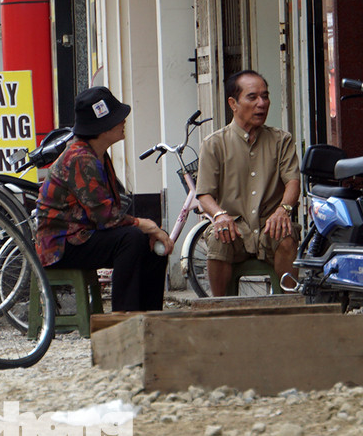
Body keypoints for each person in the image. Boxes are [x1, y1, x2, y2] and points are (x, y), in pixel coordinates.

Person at [35, 87, 172, 312]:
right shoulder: (80, 158)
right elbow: (104, 216)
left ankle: (150, 319)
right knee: (132, 238)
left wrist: (151, 231)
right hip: (62, 245)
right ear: (100, 127)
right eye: (117, 119)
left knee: (154, 247)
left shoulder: (97, 154)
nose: (123, 122)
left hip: (84, 234)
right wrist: (145, 224)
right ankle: (124, 320)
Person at [194, 70, 301, 297]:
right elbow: (204, 195)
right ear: (233, 103)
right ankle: (222, 309)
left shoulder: (282, 140)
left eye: (265, 96)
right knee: (217, 237)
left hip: (269, 224)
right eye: (252, 97)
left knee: (287, 235)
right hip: (234, 227)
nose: (261, 104)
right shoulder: (214, 144)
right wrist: (220, 215)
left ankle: (290, 305)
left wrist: (284, 210)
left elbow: (292, 181)